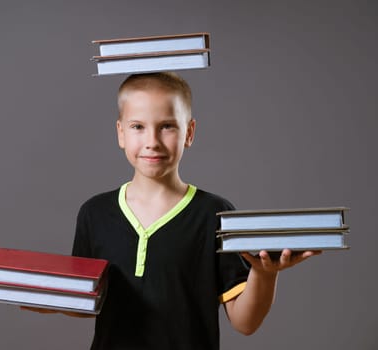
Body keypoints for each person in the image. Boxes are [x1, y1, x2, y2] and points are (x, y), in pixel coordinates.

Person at [69, 72, 321, 350]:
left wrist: (264, 273)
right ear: (120, 133)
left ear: (189, 132)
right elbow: (84, 303)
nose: (152, 140)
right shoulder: (94, 213)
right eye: (138, 126)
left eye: (167, 126)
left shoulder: (215, 215)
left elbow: (245, 323)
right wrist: (43, 297)